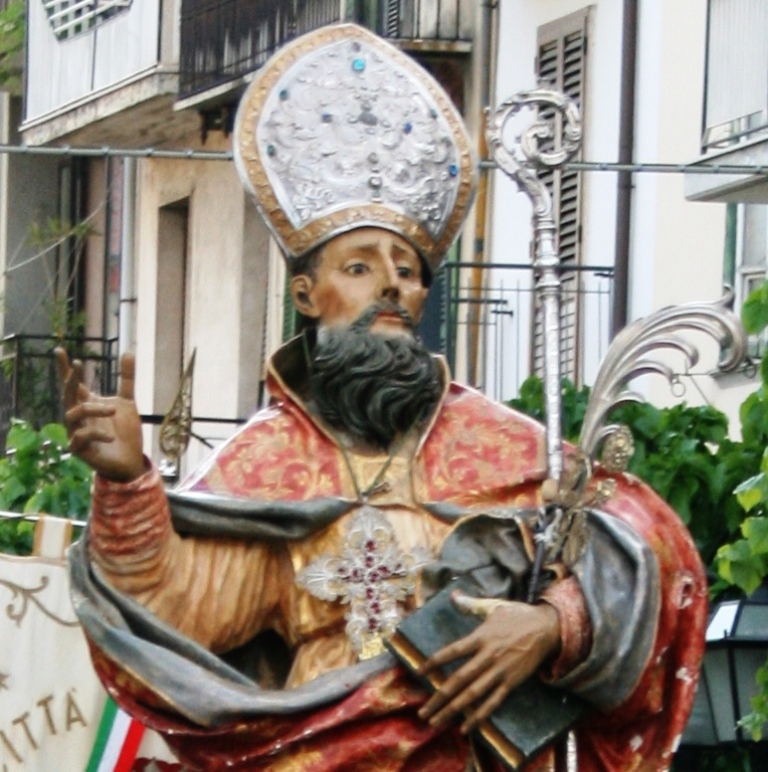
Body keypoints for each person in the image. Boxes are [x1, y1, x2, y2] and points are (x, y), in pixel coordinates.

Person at [62, 24, 706, 772]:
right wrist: (127, 484)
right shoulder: (264, 463)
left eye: (407, 270)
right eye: (361, 268)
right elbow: (174, 617)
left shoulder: (503, 444)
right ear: (306, 295)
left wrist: (550, 625)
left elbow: (652, 552)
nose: (393, 286)